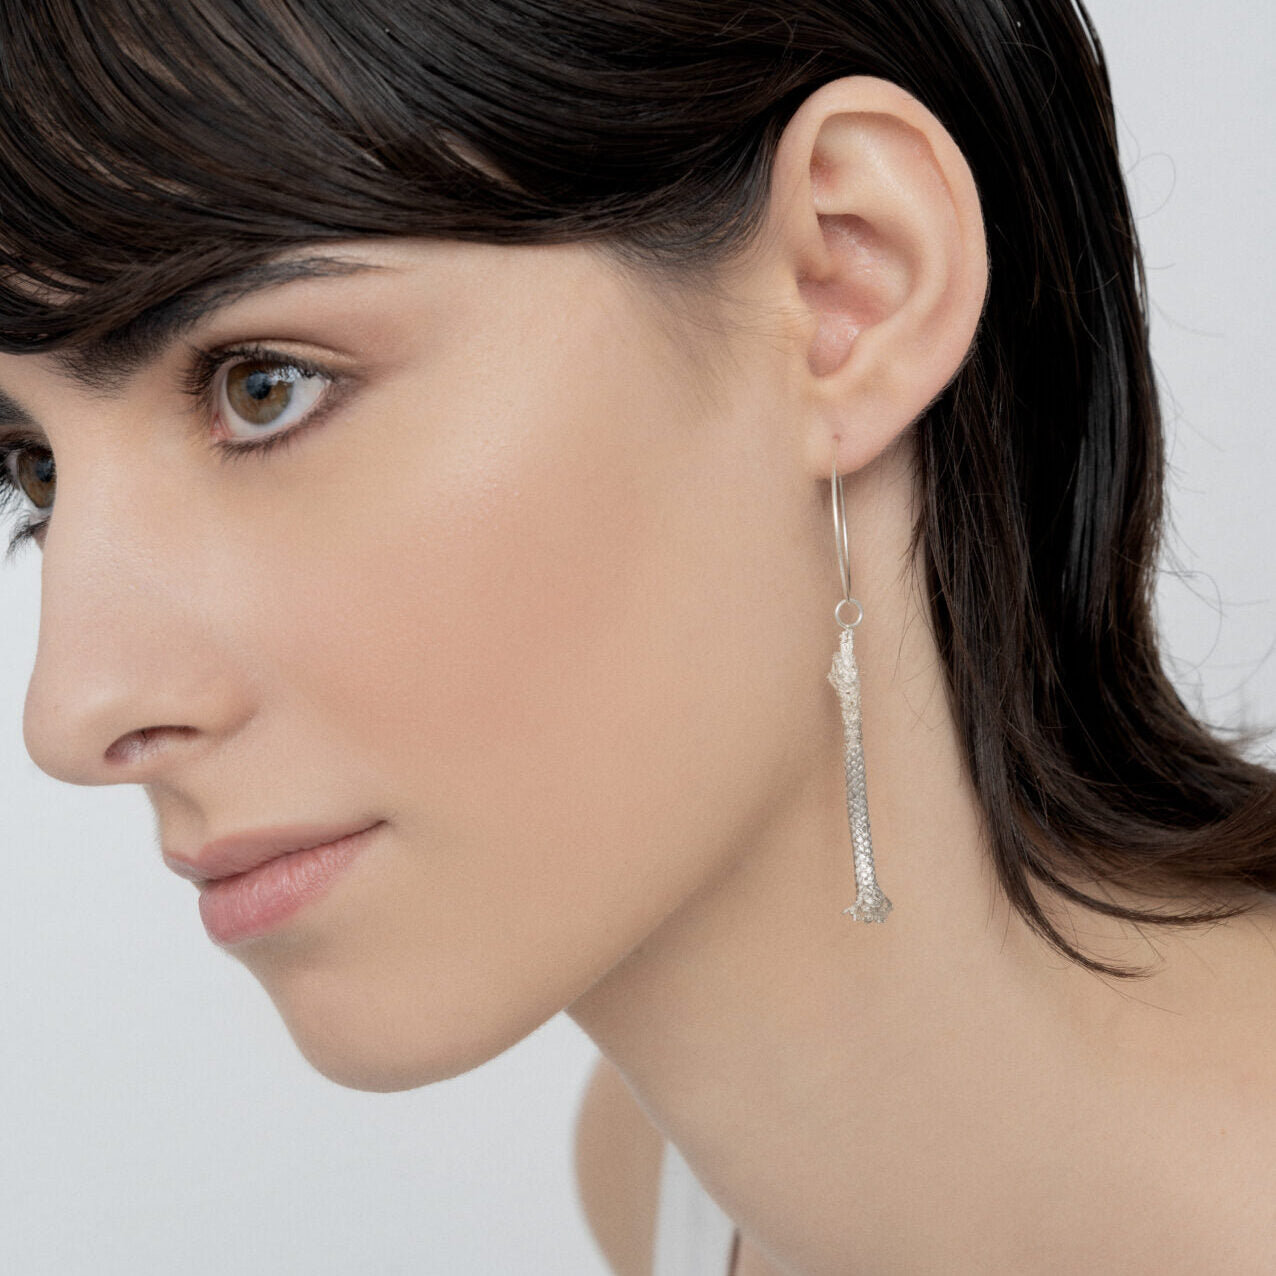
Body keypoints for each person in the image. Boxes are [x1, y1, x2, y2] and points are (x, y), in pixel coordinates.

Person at [1, 2, 1272, 1273]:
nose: (71, 709)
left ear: (847, 283)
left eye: (262, 384)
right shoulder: (663, 1178)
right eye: (37, 475)